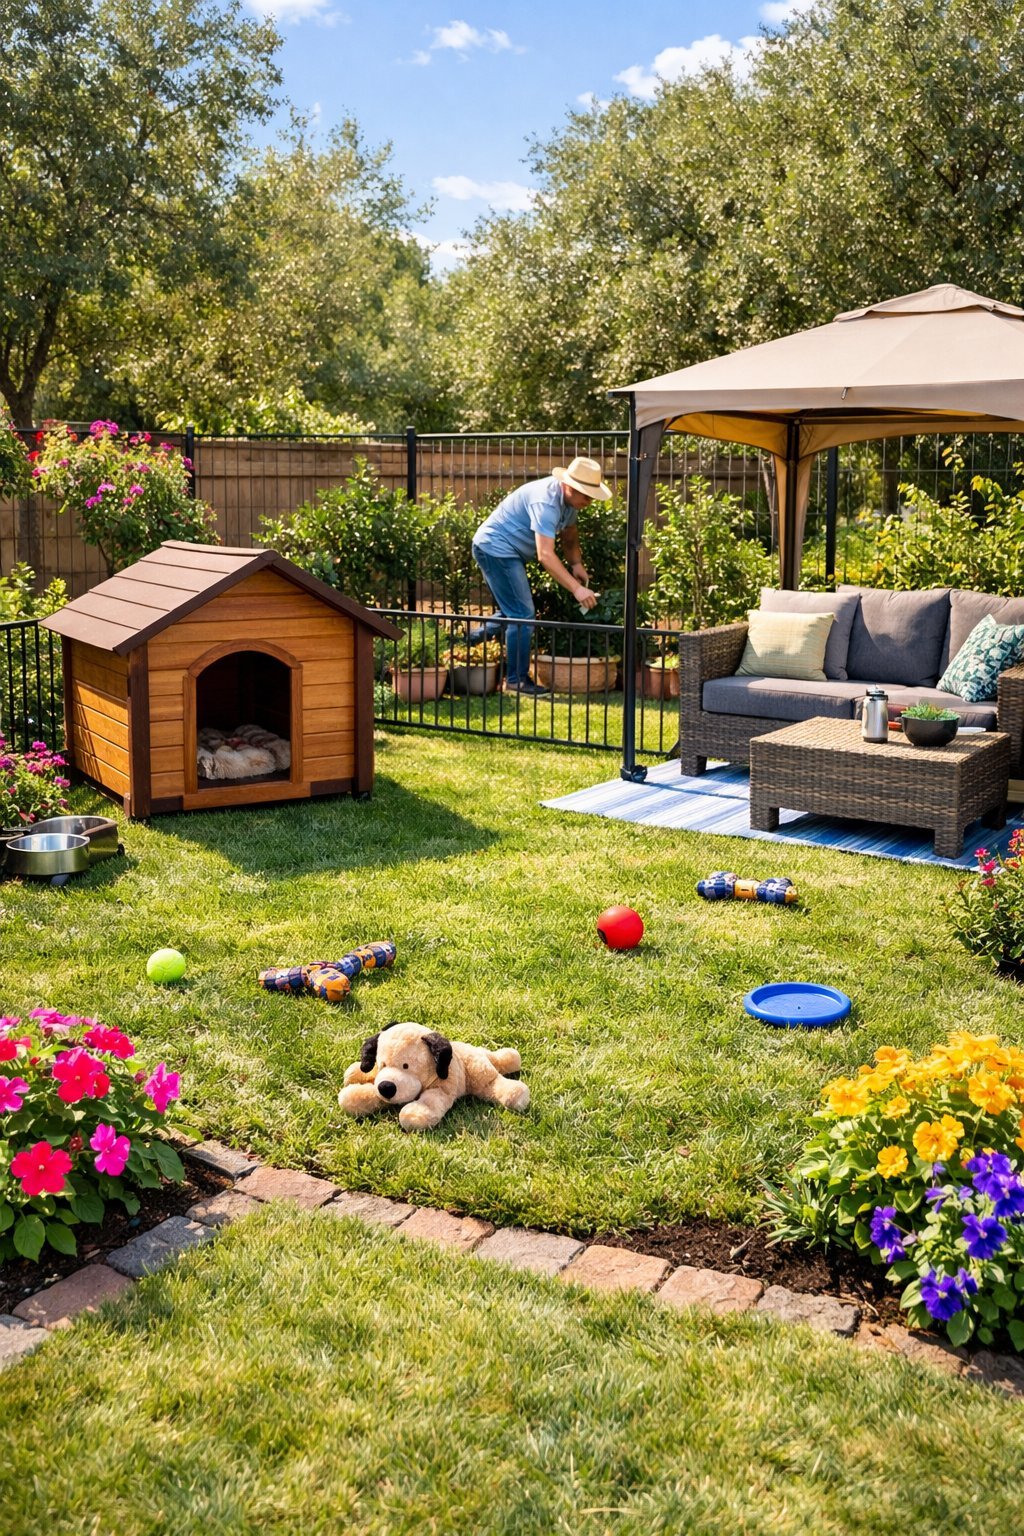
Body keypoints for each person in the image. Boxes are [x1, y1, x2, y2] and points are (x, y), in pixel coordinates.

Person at [470, 456, 611, 696]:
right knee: (522, 614)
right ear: (570, 487)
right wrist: (577, 589)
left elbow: (569, 536)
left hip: (507, 552)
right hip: (495, 548)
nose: (590, 502)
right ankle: (516, 681)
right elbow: (545, 555)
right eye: (587, 496)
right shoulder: (546, 502)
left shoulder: (569, 503)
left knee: (513, 611)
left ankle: (467, 641)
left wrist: (576, 563)